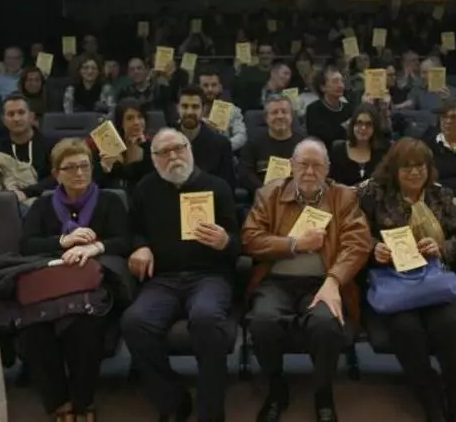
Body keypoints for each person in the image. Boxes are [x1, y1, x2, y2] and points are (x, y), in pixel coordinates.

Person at [242, 138, 371, 422]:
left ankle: (323, 394)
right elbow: (251, 239)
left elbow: (358, 243)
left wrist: (334, 280)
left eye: (317, 165)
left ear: (328, 168)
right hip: (276, 282)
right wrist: (294, 244)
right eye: (303, 164)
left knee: (326, 324)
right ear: (291, 165)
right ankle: (276, 390)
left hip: (323, 282)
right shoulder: (269, 194)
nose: (310, 172)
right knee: (263, 322)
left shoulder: (343, 197)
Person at [121, 128, 239, 422]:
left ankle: (211, 413)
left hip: (210, 276)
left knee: (206, 319)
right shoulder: (145, 189)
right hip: (163, 279)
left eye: (178, 148)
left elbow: (241, 242)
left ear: (190, 150)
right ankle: (173, 399)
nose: (173, 156)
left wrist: (226, 241)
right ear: (153, 158)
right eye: (164, 152)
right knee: (134, 322)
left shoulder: (217, 187)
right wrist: (140, 246)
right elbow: (133, 231)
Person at [358, 138, 456, 421]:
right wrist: (374, 248)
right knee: (406, 330)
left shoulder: (440, 195)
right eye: (406, 167)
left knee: (449, 327)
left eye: (420, 166)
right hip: (393, 281)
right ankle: (430, 397)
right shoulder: (374, 195)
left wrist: (442, 248)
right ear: (394, 169)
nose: (414, 172)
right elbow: (356, 235)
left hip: (433, 280)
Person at [19, 138, 130, 422]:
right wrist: (62, 241)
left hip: (92, 282)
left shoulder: (109, 201)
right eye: (70, 168)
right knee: (36, 326)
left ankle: (83, 401)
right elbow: (27, 244)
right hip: (52, 282)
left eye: (85, 166)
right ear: (56, 174)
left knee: (85, 323)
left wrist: (94, 248)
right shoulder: (43, 205)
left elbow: (123, 240)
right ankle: (59, 402)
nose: (79, 173)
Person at [0, 94, 54, 201]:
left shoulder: (50, 145)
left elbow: (55, 178)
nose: (16, 118)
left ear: (31, 116)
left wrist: (26, 192)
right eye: (11, 114)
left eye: (21, 112)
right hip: (5, 202)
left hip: (41, 201)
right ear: (3, 119)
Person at [238, 94, 304, 191]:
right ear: (266, 118)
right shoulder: (253, 144)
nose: (280, 116)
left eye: (284, 112)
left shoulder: (305, 144)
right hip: (262, 195)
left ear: (292, 116)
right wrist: (266, 191)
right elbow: (245, 175)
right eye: (274, 112)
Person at [176, 85, 236, 188]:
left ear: (203, 109)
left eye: (195, 107)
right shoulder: (164, 141)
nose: (189, 112)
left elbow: (227, 186)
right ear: (177, 108)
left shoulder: (221, 144)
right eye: (185, 106)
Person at [91, 98, 154, 191]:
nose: (136, 122)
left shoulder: (153, 147)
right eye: (130, 118)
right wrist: (104, 169)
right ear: (120, 122)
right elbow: (95, 183)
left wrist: (144, 147)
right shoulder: (107, 144)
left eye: (140, 117)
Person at [329, 103, 388, 186]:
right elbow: (331, 183)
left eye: (368, 124)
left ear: (375, 128)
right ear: (352, 125)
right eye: (359, 123)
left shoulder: (381, 153)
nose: (363, 128)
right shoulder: (338, 150)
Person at [198, 67, 247, 152]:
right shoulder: (190, 108)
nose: (210, 89)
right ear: (198, 87)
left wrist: (222, 147)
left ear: (220, 87)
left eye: (214, 85)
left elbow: (241, 136)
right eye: (205, 85)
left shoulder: (232, 110)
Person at [305, 66, 353, 153]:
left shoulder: (349, 108)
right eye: (335, 81)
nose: (340, 85)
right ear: (323, 87)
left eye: (342, 81)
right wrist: (346, 125)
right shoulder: (313, 109)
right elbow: (324, 137)